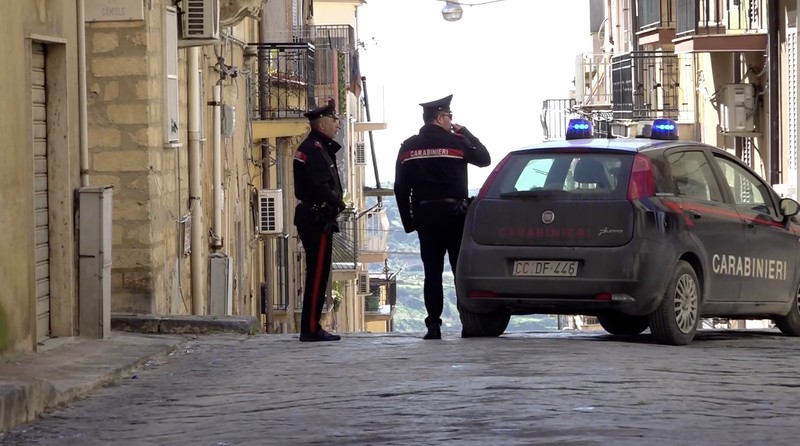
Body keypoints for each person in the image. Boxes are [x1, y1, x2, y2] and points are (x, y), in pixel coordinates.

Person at [393, 94, 492, 340]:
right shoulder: (457, 142)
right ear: (439, 118)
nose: (451, 121)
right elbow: (484, 159)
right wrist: (466, 132)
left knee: (432, 272)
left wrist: (409, 222)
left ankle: (433, 325)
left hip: (426, 217)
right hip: (455, 216)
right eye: (449, 116)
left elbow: (400, 188)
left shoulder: (408, 147)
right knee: (460, 271)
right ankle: (467, 324)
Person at [293, 100, 347, 342]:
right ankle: (311, 328)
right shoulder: (315, 149)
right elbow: (320, 186)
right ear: (322, 124)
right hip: (316, 217)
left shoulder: (317, 146)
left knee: (318, 271)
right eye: (334, 120)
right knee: (318, 273)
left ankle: (311, 326)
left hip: (314, 216)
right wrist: (338, 203)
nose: (338, 124)